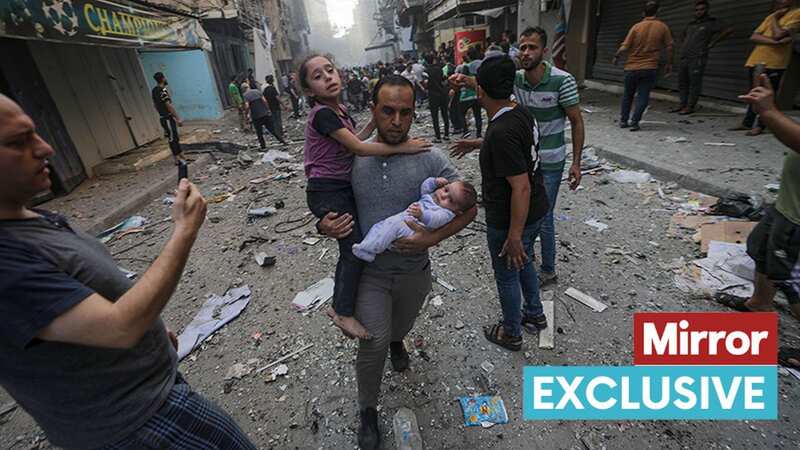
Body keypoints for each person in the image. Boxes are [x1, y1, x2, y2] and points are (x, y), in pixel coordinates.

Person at [0, 94, 258, 449]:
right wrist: (184, 231)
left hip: (152, 398)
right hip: (134, 426)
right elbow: (119, 326)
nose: (45, 148)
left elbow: (80, 307)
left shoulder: (31, 219)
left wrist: (149, 330)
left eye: (35, 134)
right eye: (17, 142)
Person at [317, 75, 476, 449]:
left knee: (399, 327)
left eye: (406, 112)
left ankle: (397, 341)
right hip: (370, 272)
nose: (397, 121)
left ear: (414, 113)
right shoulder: (353, 155)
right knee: (371, 342)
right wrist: (323, 221)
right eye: (387, 111)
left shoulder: (429, 157)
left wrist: (432, 237)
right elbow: (324, 193)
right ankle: (368, 411)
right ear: (373, 110)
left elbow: (471, 205)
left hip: (414, 273)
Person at [297, 55, 430, 340]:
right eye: (318, 76)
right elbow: (358, 148)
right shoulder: (322, 113)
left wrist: (375, 121)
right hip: (327, 188)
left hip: (336, 186)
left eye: (330, 70)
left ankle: (358, 306)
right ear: (309, 91)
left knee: (357, 244)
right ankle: (343, 311)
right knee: (353, 248)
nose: (328, 77)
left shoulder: (339, 110)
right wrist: (403, 147)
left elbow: (355, 137)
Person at [449, 27, 585, 288]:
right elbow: (491, 89)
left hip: (551, 161)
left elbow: (576, 121)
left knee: (542, 216)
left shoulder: (562, 80)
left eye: (532, 47)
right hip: (525, 160)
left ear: (544, 52)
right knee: (531, 213)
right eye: (522, 47)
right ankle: (526, 260)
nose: (526, 52)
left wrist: (576, 163)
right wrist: (464, 80)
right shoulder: (517, 80)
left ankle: (547, 269)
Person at [720, 74, 800, 368]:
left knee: (792, 281)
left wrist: (768, 112)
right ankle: (759, 304)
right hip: (787, 205)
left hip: (797, 219)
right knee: (760, 248)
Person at [474, 54, 550, 351]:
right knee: (524, 260)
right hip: (535, 211)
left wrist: (514, 236)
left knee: (507, 272)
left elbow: (520, 187)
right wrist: (478, 143)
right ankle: (534, 313)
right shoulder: (519, 112)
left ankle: (512, 333)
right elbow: (514, 147)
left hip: (511, 217)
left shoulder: (500, 132)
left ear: (480, 90)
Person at [352, 177, 477, 262]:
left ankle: (369, 251)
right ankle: (368, 245)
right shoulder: (433, 197)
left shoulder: (446, 213)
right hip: (405, 220)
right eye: (445, 190)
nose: (443, 195)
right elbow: (425, 188)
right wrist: (434, 181)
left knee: (392, 225)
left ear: (457, 210)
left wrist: (421, 215)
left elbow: (435, 220)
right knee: (380, 226)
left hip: (412, 228)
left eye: (450, 200)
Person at [732, 0, 800, 136]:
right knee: (753, 93)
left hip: (775, 62)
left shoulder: (796, 14)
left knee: (768, 94)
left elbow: (778, 34)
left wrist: (775, 19)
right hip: (756, 59)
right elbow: (754, 36)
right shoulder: (771, 16)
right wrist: (774, 42)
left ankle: (761, 125)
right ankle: (747, 122)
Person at [613, 1, 673, 132]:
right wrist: (669, 63)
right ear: (658, 11)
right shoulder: (662, 27)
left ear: (643, 13)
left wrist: (616, 56)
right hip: (650, 67)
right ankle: (635, 122)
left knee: (628, 95)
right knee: (643, 95)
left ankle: (623, 120)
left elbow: (625, 46)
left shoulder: (636, 27)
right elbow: (669, 47)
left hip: (631, 67)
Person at [672, 0, 733, 115]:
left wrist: (713, 43)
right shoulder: (691, 24)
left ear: (707, 10)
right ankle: (682, 104)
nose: (699, 12)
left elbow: (729, 30)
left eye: (702, 9)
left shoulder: (711, 23)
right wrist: (684, 45)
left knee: (694, 82)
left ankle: (690, 107)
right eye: (697, 10)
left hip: (697, 57)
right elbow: (682, 36)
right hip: (684, 56)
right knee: (682, 82)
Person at [151, 72, 185, 164]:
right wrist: (178, 118)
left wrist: (161, 114)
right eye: (165, 78)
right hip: (168, 118)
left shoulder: (154, 90)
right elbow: (168, 105)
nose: (166, 79)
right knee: (172, 138)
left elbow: (154, 104)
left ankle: (181, 155)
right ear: (162, 78)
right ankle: (177, 158)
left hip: (163, 117)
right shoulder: (162, 90)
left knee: (174, 137)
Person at [243, 82, 286, 148]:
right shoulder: (257, 91)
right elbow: (265, 101)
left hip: (256, 116)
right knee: (272, 129)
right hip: (264, 113)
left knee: (259, 132)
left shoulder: (245, 95)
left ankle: (263, 146)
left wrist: (246, 115)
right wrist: (268, 110)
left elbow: (247, 106)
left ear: (243, 89)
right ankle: (282, 140)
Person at [457, 46, 484, 138]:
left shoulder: (466, 66)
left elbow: (462, 79)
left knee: (461, 113)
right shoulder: (482, 64)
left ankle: (465, 130)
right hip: (477, 94)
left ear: (468, 56)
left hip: (466, 95)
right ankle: (479, 133)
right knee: (478, 115)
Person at [424, 53, 450, 142]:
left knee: (435, 116)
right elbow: (444, 80)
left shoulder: (426, 71)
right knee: (445, 114)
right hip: (442, 93)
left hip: (433, 95)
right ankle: (446, 134)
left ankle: (438, 136)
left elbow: (426, 83)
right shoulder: (440, 69)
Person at [263, 75, 290, 141]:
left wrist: (267, 108)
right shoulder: (273, 88)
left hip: (270, 107)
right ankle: (280, 133)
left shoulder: (265, 90)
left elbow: (264, 99)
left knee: (274, 121)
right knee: (278, 120)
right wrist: (284, 105)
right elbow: (277, 98)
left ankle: (276, 133)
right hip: (276, 106)